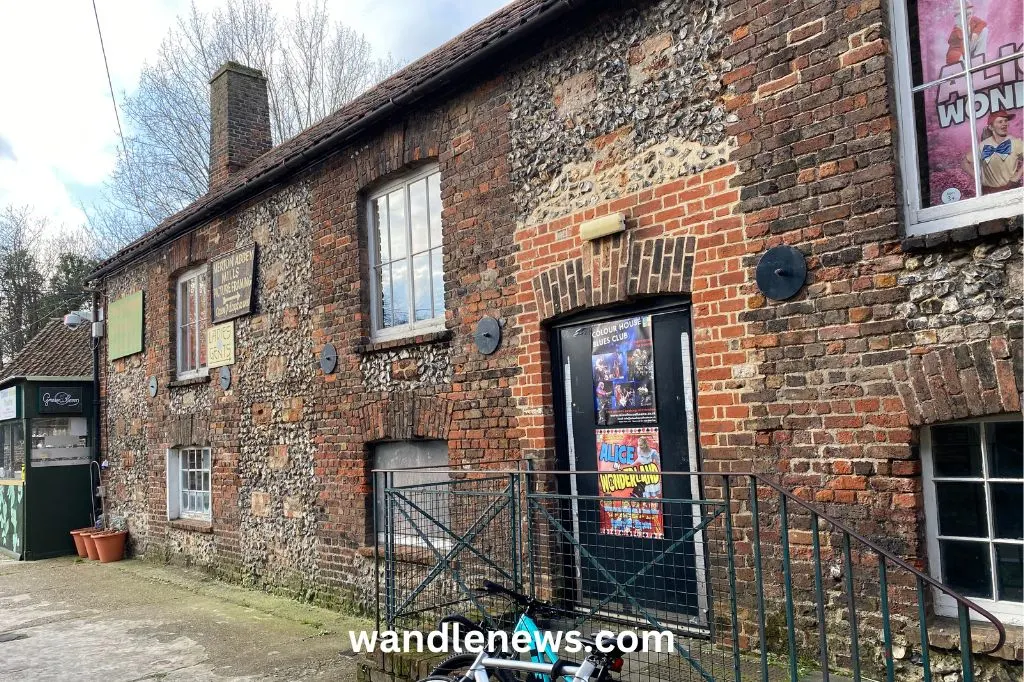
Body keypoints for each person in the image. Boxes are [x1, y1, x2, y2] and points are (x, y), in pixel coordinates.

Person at [962, 108, 1023, 194]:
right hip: (988, 192)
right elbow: (965, 163)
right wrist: (978, 177)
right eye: (1000, 122)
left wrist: (1017, 176)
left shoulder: (1015, 142)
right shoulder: (983, 145)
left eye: (1006, 121)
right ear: (991, 127)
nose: (1004, 124)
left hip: (1011, 190)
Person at [945, 3, 988, 69]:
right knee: (956, 57)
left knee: (984, 30)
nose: (969, 16)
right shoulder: (956, 29)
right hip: (960, 54)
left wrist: (976, 32)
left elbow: (983, 23)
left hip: (968, 48)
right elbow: (953, 42)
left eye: (970, 13)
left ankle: (978, 59)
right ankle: (966, 67)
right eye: (967, 14)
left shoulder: (972, 19)